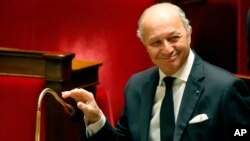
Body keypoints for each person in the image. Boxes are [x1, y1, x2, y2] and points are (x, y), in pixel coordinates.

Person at [62, 2, 250, 141]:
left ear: (189, 33)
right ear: (145, 45)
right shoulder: (136, 86)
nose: (167, 49)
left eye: (174, 38)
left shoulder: (226, 88)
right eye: (156, 42)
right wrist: (96, 120)